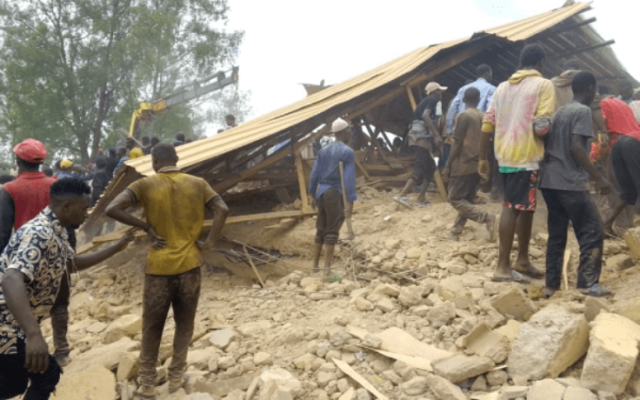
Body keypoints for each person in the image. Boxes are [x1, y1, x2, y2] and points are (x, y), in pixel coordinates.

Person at [106, 143, 228, 398]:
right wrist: (210, 242)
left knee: (152, 325)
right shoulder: (198, 183)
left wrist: (146, 228)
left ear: (154, 162)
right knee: (185, 323)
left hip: (158, 268)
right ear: (177, 158)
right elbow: (222, 209)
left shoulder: (145, 185)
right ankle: (175, 378)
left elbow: (112, 208)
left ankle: (148, 382)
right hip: (190, 266)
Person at [0, 179, 133, 400]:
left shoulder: (57, 231)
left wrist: (117, 247)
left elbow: (71, 264)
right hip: (6, 324)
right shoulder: (39, 233)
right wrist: (34, 335)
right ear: (67, 206)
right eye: (84, 208)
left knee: (15, 383)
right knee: (44, 374)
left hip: (14, 324)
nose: (86, 213)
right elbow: (11, 279)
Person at [479, 43, 555, 283]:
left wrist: (483, 157)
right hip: (526, 155)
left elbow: (487, 122)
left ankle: (522, 260)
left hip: (504, 154)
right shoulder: (544, 85)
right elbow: (542, 126)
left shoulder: (501, 88)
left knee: (526, 206)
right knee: (512, 206)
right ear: (540, 63)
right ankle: (503, 267)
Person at [540, 71, 612, 297]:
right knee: (592, 230)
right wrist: (598, 177)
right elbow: (576, 147)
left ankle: (551, 285)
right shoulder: (582, 111)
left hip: (550, 181)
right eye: (595, 90)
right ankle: (588, 283)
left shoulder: (561, 111)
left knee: (557, 234)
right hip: (569, 181)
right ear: (589, 88)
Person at [442, 87, 497, 241]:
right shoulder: (483, 116)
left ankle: (486, 217)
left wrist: (447, 165)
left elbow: (457, 143)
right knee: (465, 199)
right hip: (478, 164)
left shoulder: (464, 116)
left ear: (464, 100)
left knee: (454, 199)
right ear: (479, 99)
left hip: (463, 163)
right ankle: (456, 231)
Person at [308, 118, 357, 279]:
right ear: (343, 132)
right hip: (334, 192)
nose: (350, 132)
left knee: (320, 228)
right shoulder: (347, 152)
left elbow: (314, 174)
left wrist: (311, 194)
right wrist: (350, 200)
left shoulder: (323, 151)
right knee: (332, 230)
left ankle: (315, 266)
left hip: (321, 192)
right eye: (348, 130)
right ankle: (327, 270)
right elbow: (348, 179)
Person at [394, 82, 447, 209]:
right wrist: (437, 135)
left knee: (430, 166)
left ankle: (421, 197)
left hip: (417, 136)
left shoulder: (431, 103)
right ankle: (402, 195)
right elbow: (425, 116)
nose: (441, 94)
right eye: (439, 91)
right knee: (420, 165)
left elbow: (436, 118)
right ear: (434, 92)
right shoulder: (432, 100)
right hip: (420, 137)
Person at [0, 139, 55, 253]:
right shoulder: (56, 185)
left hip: (24, 253)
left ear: (18, 162)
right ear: (41, 162)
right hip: (52, 249)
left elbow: (3, 232)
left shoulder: (9, 189)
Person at [600, 96, 640, 235]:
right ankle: (634, 227)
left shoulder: (604, 104)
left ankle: (606, 225)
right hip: (634, 143)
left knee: (628, 192)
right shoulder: (624, 106)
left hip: (617, 144)